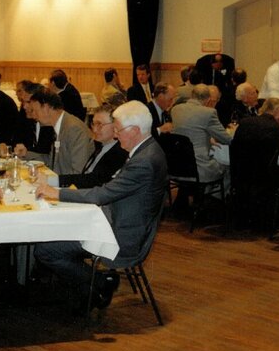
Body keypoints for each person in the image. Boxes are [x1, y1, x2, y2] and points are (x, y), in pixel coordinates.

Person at [34, 101, 168, 310]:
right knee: (54, 234)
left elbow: (103, 193)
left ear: (134, 131)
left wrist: (57, 193)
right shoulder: (149, 150)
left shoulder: (144, 160)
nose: (115, 135)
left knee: (46, 250)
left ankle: (100, 282)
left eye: (118, 130)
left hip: (122, 236)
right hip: (121, 221)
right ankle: (81, 291)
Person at [229, 97, 279, 230]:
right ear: (277, 112)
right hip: (265, 176)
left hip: (241, 173)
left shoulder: (244, 123)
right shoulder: (278, 129)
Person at [13, 88, 93, 175]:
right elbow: (52, 161)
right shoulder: (60, 125)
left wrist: (51, 181)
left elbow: (78, 173)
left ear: (46, 108)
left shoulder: (74, 129)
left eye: (35, 111)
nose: (33, 116)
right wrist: (26, 154)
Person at [170, 84, 232, 184]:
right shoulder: (209, 113)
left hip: (177, 166)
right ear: (208, 100)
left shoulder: (175, 110)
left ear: (192, 95)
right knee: (228, 166)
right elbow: (226, 139)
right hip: (199, 168)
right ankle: (214, 198)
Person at [57, 105, 128, 189]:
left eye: (99, 124)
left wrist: (56, 180)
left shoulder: (119, 152)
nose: (94, 129)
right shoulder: (99, 145)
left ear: (116, 126)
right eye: (93, 124)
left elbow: (94, 180)